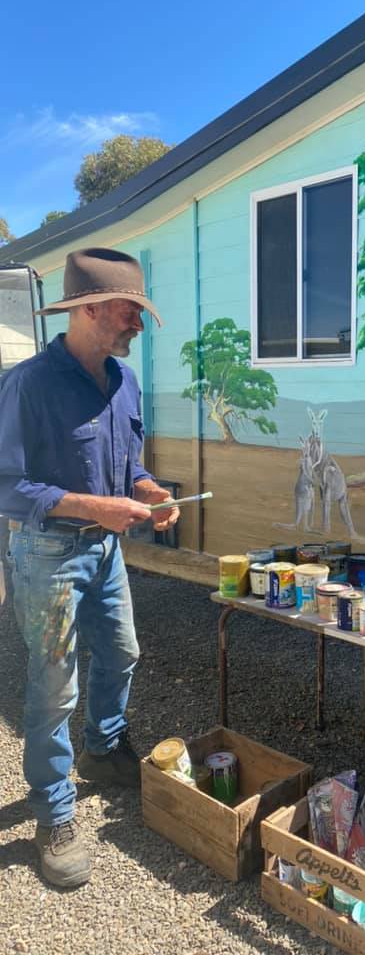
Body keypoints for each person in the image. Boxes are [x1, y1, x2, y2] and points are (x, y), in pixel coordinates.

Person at [0, 247, 180, 888]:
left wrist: (148, 491)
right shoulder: (28, 384)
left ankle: (104, 752)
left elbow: (129, 465)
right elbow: (7, 487)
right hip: (47, 553)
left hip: (105, 551)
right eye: (131, 311)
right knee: (54, 686)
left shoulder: (126, 381)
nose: (138, 324)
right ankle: (53, 812)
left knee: (123, 652)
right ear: (90, 309)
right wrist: (92, 506)